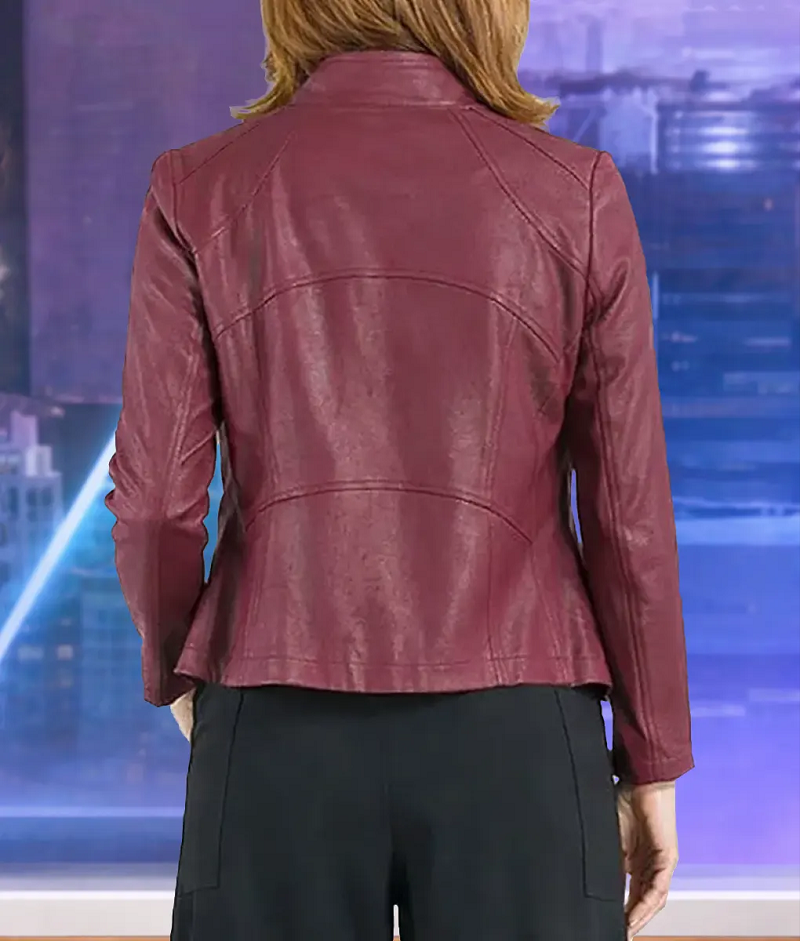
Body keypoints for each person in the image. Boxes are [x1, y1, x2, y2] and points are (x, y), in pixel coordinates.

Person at [105, 0, 694, 938]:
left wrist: (181, 670)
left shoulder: (197, 189)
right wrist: (652, 755)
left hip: (273, 719)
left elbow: (153, 507)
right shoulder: (576, 192)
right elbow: (627, 518)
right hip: (520, 731)